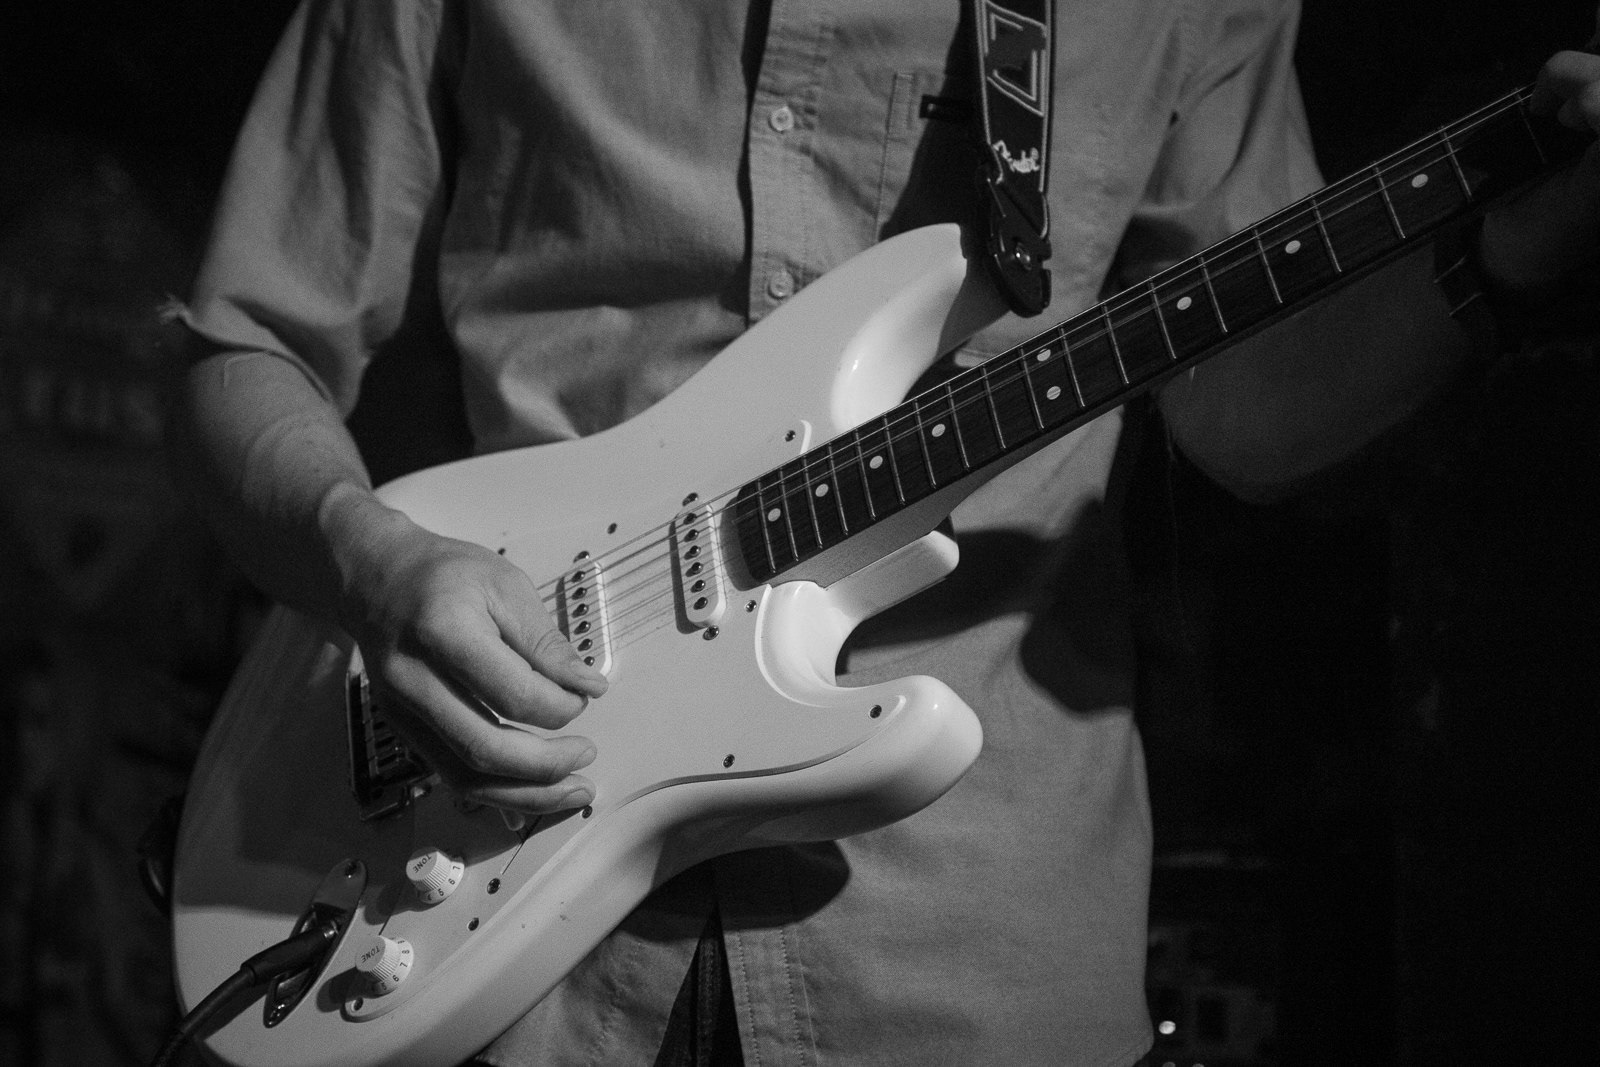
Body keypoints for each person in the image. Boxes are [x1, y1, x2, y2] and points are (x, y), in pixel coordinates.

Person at [167, 1, 1600, 1063]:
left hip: (967, 947)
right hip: (503, 909)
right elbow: (245, 337)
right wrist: (368, 560)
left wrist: (1494, 261)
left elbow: (1246, 409)